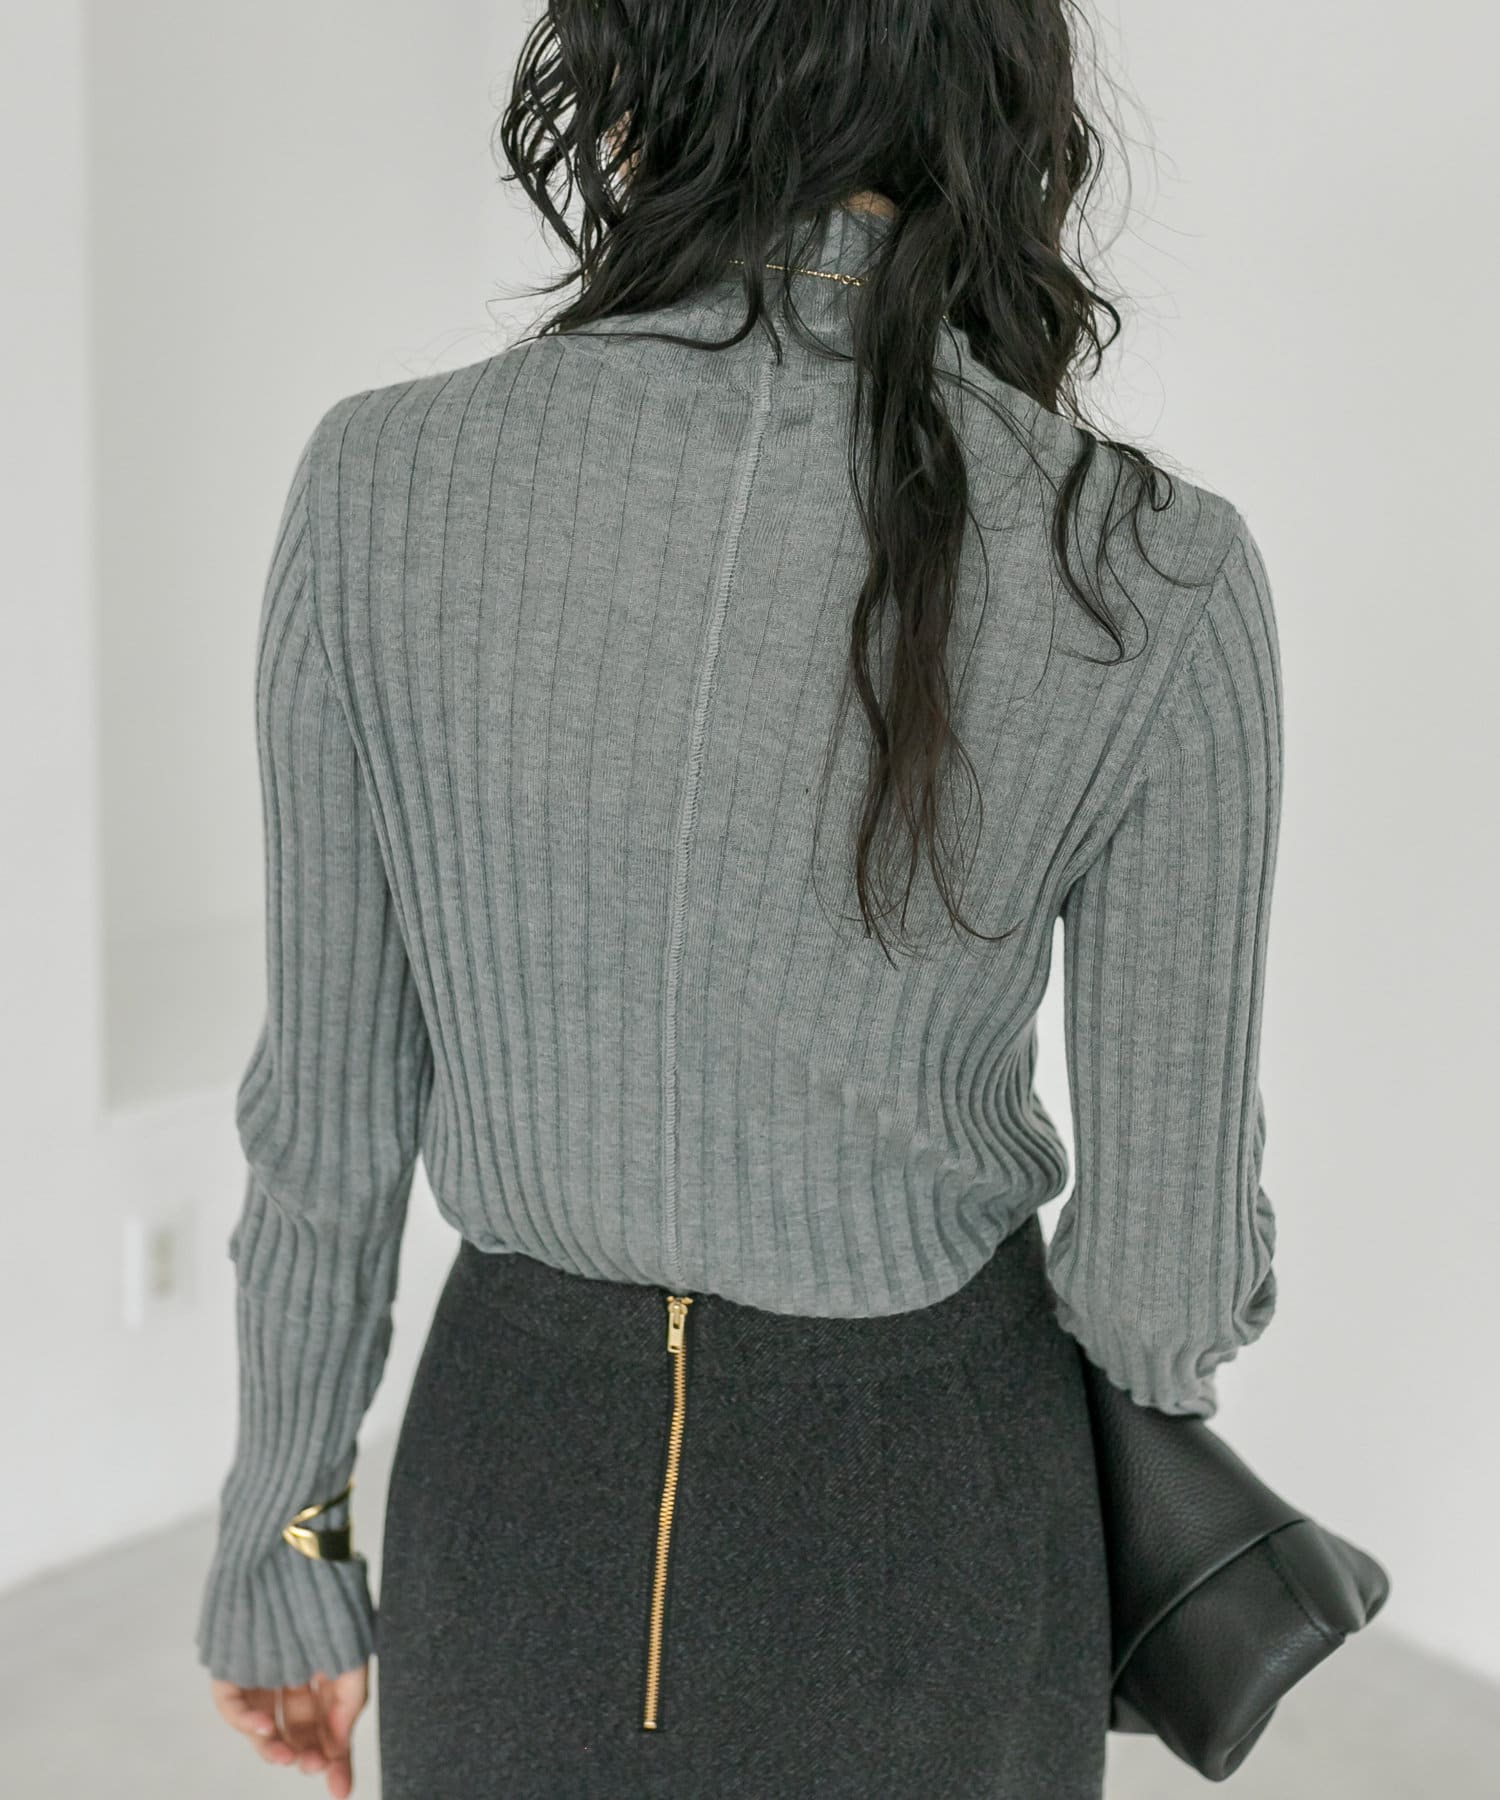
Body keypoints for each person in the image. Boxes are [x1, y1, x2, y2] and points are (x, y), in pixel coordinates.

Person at [197, 4, 1283, 1796]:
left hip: (514, 1492)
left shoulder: (376, 483)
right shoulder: (1154, 566)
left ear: (627, 77)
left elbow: (325, 1130)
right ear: (995, 96)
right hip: (937, 1508)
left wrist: (284, 1554)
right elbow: (1163, 1291)